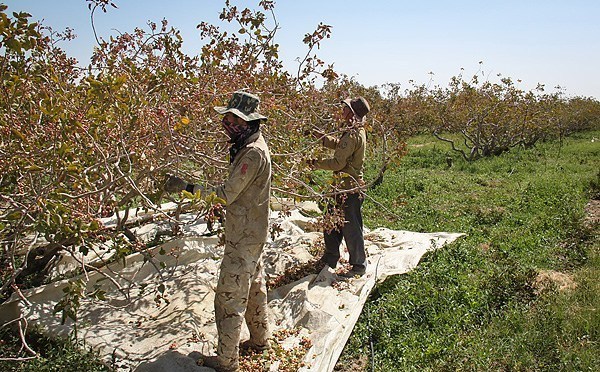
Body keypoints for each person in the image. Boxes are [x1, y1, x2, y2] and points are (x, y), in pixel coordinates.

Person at [163, 91, 271, 372]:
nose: (226, 122)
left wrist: (186, 188)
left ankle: (227, 362)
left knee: (228, 298)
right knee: (255, 286)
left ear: (246, 121)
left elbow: (224, 195)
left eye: (232, 117)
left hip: (245, 235)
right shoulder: (248, 143)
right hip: (251, 231)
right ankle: (260, 341)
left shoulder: (252, 153)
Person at [307, 97, 370, 278]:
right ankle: (330, 258)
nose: (342, 111)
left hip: (349, 190)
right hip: (341, 188)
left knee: (351, 228)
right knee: (331, 222)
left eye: (346, 109)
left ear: (352, 113)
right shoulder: (353, 131)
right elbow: (340, 146)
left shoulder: (353, 134)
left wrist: (314, 163)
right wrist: (322, 139)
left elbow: (337, 163)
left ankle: (358, 265)